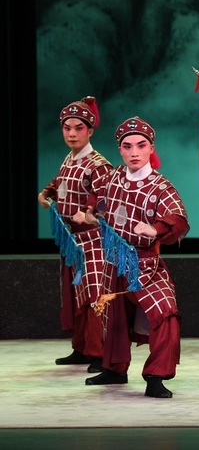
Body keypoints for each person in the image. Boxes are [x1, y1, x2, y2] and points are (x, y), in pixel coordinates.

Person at [76, 116, 189, 398]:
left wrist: (156, 229)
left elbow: (178, 219)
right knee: (114, 317)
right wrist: (89, 212)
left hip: (145, 265)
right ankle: (114, 369)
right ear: (120, 150)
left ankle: (156, 376)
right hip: (114, 261)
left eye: (141, 145)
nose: (134, 152)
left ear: (151, 148)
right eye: (127, 146)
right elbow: (96, 198)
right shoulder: (113, 177)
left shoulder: (160, 187)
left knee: (166, 314)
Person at [38, 97, 113, 373]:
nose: (71, 133)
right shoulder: (70, 158)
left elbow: (104, 197)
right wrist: (46, 193)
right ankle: (81, 348)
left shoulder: (98, 164)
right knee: (76, 294)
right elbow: (60, 182)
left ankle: (100, 353)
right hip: (73, 240)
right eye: (67, 128)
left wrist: (89, 211)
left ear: (90, 131)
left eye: (78, 128)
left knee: (95, 294)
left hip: (93, 239)